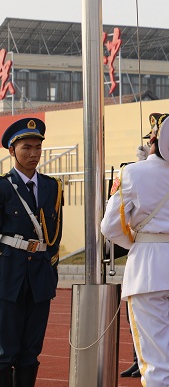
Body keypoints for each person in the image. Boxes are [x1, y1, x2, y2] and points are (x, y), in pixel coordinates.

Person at [101, 112, 169, 387]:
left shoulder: (132, 172)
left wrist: (137, 242)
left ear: (153, 139)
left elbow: (109, 226)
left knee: (154, 360)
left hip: (148, 268)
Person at [0, 118, 63, 387]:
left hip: (39, 276)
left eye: (38, 147)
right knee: (5, 351)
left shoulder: (52, 187)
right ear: (12, 151)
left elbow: (55, 235)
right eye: (27, 148)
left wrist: (50, 271)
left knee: (31, 351)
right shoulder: (3, 187)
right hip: (8, 276)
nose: (34, 154)